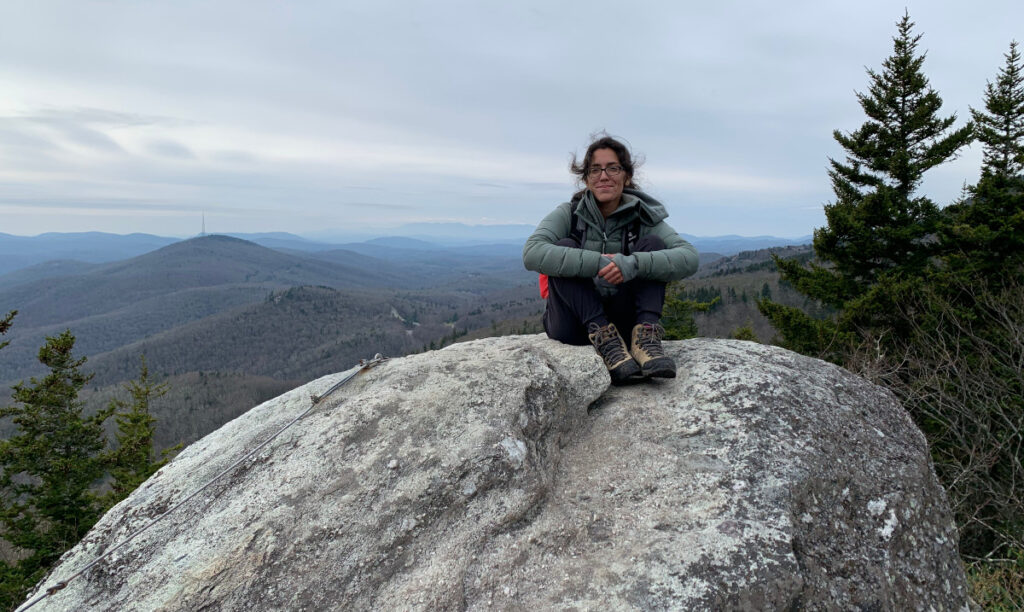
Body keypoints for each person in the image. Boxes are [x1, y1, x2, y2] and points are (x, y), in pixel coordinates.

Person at [523, 135, 698, 384]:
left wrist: (633, 264)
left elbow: (689, 257)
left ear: (626, 176)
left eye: (613, 168)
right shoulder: (569, 214)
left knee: (653, 246)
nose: (603, 176)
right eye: (595, 170)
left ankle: (645, 339)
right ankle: (603, 337)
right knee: (563, 247)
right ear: (586, 179)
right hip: (573, 324)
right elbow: (532, 253)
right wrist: (595, 262)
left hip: (623, 320)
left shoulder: (643, 218)